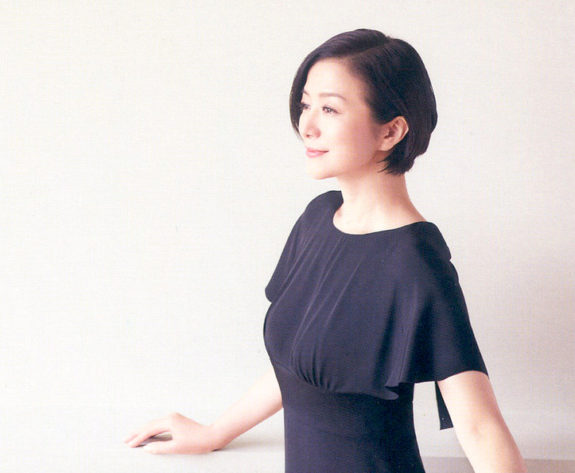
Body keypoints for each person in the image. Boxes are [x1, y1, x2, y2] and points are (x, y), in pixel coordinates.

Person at [124, 29, 526, 472]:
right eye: (305, 105)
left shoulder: (415, 263)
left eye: (330, 109)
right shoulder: (317, 220)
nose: (307, 126)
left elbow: (480, 428)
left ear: (391, 131)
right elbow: (300, 370)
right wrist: (214, 433)